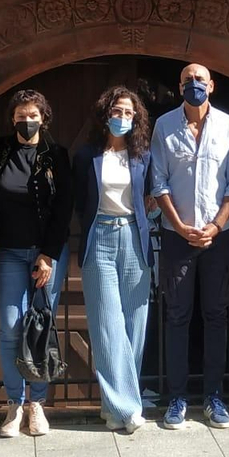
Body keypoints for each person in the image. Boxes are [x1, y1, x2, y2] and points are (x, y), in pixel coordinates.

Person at [151, 62, 229, 430]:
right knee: (176, 316)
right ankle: (177, 398)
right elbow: (158, 182)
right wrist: (179, 226)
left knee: (216, 315)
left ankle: (214, 395)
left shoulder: (228, 126)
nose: (194, 84)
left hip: (218, 237)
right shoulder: (164, 126)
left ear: (212, 85)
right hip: (177, 237)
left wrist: (215, 226)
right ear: (179, 87)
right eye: (188, 80)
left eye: (200, 80)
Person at [0, 88, 74, 439]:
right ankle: (14, 403)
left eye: (33, 115)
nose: (27, 121)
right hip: (10, 251)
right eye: (21, 116)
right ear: (12, 119)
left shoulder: (57, 155)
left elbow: (64, 208)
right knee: (10, 326)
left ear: (43, 118)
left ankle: (37, 405)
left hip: (47, 254)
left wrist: (48, 255)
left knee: (41, 326)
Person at [72, 85, 155, 434]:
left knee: (135, 326)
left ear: (136, 119)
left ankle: (113, 407)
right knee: (108, 325)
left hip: (134, 239)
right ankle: (129, 407)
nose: (122, 118)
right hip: (101, 237)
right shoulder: (87, 154)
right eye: (117, 111)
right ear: (105, 114)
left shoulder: (143, 155)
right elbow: (80, 200)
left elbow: (152, 195)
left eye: (128, 113)